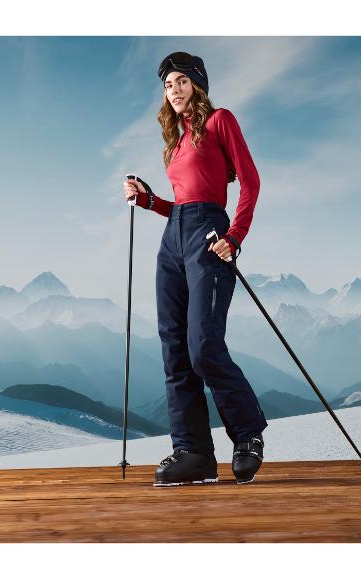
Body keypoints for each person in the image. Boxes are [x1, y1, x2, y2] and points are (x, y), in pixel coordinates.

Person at [123, 51, 268, 486]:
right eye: (168, 85)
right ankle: (193, 453)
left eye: (182, 81)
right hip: (174, 238)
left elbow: (251, 181)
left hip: (209, 232)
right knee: (174, 347)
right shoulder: (176, 137)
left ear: (198, 84)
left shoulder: (220, 120)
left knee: (203, 344)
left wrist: (235, 237)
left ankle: (248, 436)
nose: (174, 90)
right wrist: (149, 201)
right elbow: (182, 203)